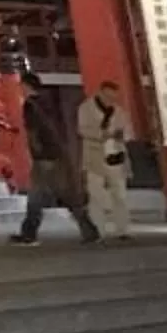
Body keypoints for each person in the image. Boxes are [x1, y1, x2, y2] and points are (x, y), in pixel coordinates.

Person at [12, 70, 101, 245]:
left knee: (36, 196)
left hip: (43, 155)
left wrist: (35, 151)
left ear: (26, 85)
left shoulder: (30, 105)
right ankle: (90, 230)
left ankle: (29, 234)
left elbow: (33, 132)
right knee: (67, 194)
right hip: (58, 152)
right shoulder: (50, 102)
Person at [79, 79, 133, 242]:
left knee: (120, 194)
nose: (111, 100)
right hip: (95, 156)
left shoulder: (119, 111)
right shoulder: (86, 108)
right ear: (101, 93)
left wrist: (121, 135)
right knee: (96, 194)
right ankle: (98, 228)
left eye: (113, 97)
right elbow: (82, 129)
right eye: (108, 96)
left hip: (116, 155)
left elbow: (128, 132)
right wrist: (103, 134)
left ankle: (122, 229)